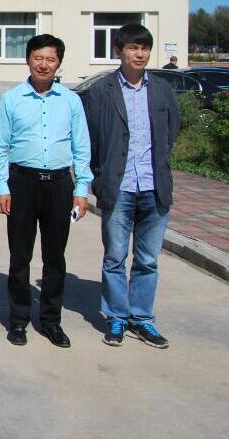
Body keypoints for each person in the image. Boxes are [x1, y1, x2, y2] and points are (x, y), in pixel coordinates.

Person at [79, 23, 179, 348]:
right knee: (115, 257)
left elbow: (171, 132)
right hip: (118, 186)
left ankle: (142, 318)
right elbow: (91, 139)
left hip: (154, 185)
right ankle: (117, 318)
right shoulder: (100, 92)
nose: (140, 54)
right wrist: (99, 175)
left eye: (144, 48)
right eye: (133, 48)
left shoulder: (162, 89)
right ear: (118, 51)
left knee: (148, 260)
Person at [0, 34, 92, 348]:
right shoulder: (11, 99)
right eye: (38, 58)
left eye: (50, 59)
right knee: (20, 256)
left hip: (60, 185)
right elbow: (0, 147)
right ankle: (18, 320)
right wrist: (1, 186)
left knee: (55, 257)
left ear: (58, 63)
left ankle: (51, 321)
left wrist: (82, 188)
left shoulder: (71, 100)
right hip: (22, 183)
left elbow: (81, 147)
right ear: (28, 60)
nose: (44, 65)